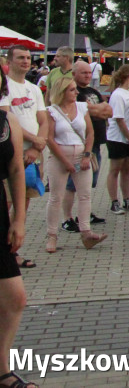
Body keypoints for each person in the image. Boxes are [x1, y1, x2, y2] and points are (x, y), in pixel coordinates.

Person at [0, 68, 37, 388]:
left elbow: (14, 169)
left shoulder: (7, 120)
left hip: (0, 216)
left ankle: (2, 370)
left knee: (14, 297)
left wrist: (19, 219)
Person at [44, 76, 108, 252]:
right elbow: (49, 138)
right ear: (62, 91)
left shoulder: (81, 107)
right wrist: (65, 161)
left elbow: (90, 133)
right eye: (72, 90)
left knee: (85, 194)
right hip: (60, 156)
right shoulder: (51, 111)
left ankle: (86, 232)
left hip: (81, 155)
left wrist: (87, 154)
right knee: (56, 197)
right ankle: (52, 235)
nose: (76, 92)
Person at [1, 46, 49, 270]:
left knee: (23, 204)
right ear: (9, 61)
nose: (26, 61)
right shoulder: (5, 87)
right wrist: (30, 141)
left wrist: (38, 147)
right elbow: (9, 121)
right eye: (20, 57)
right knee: (7, 202)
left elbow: (43, 119)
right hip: (12, 154)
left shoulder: (34, 89)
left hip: (33, 155)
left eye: (28, 58)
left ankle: (14, 249)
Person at [62, 60, 111, 232]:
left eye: (89, 73)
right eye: (83, 73)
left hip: (95, 143)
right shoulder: (73, 92)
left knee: (89, 182)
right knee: (72, 183)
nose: (88, 75)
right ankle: (66, 218)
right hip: (79, 145)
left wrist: (97, 109)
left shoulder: (92, 91)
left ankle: (84, 214)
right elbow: (94, 111)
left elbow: (108, 110)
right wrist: (98, 109)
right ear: (74, 73)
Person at [105, 64, 129, 215]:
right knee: (115, 169)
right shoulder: (118, 94)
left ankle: (127, 199)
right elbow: (119, 119)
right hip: (118, 138)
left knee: (126, 170)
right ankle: (114, 201)